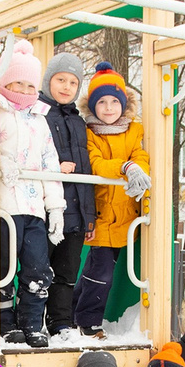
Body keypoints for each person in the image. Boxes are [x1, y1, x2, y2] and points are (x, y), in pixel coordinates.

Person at [59, 64, 148, 342]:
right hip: (101, 214)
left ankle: (75, 312)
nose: (108, 108)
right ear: (93, 107)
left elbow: (141, 156)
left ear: (123, 104)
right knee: (101, 273)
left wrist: (137, 167)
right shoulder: (90, 132)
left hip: (127, 216)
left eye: (113, 101)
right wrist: (125, 167)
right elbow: (96, 164)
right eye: (101, 102)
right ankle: (87, 321)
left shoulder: (134, 131)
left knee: (97, 272)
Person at [0, 39, 67, 347]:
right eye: (16, 83)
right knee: (4, 267)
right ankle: (5, 322)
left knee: (37, 267)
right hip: (3, 204)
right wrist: (1, 160)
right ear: (5, 82)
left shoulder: (40, 119)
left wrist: (56, 208)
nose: (23, 90)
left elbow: (49, 163)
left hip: (34, 206)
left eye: (28, 84)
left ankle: (32, 323)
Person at [41, 56, 93, 327]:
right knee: (38, 269)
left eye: (73, 82)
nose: (66, 86)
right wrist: (54, 166)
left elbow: (86, 173)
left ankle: (60, 323)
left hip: (75, 213)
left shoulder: (78, 122)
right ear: (48, 80)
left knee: (67, 272)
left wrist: (89, 217)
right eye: (60, 79)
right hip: (47, 208)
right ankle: (31, 320)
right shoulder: (38, 114)